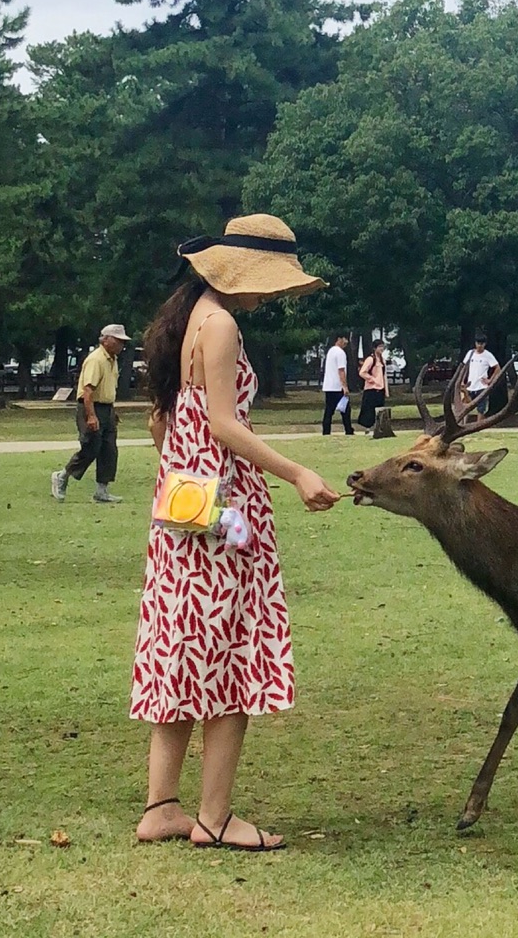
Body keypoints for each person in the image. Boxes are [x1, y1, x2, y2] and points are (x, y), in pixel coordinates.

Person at [132, 215, 340, 851]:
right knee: (230, 658)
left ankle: (160, 807)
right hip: (225, 515)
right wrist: (297, 471)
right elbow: (224, 423)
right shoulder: (221, 324)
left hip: (182, 509)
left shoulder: (186, 317)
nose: (270, 297)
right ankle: (215, 818)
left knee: (183, 650)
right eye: (269, 284)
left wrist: (186, 482)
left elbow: (163, 426)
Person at [52, 324, 129, 504]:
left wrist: (111, 412)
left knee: (109, 449)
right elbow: (88, 391)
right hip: (91, 407)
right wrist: (92, 416)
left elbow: (108, 388)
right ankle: (62, 476)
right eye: (118, 340)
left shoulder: (113, 359)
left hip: (107, 409)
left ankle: (102, 491)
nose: (121, 345)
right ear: (105, 339)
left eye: (122, 342)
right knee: (91, 447)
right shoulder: (96, 359)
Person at [319, 331, 353, 436]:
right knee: (346, 409)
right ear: (339, 339)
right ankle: (348, 430)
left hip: (329, 386)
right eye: (345, 339)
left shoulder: (331, 351)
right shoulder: (340, 353)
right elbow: (341, 370)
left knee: (329, 410)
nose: (346, 342)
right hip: (337, 387)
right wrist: (345, 386)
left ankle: (326, 431)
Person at [356, 339, 388, 430]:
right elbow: (362, 372)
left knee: (379, 410)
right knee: (369, 410)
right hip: (371, 389)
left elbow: (384, 375)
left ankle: (377, 428)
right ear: (375, 348)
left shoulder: (382, 361)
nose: (382, 349)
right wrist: (372, 379)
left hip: (380, 389)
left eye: (383, 347)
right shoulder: (370, 359)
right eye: (380, 347)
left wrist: (386, 390)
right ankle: (367, 428)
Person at [463, 333, 499, 400]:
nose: (479, 346)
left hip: (482, 387)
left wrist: (490, 380)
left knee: (481, 409)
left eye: (481, 344)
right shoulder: (470, 353)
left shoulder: (488, 355)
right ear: (475, 343)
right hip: (469, 387)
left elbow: (497, 368)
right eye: (478, 343)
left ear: (485, 344)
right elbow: (465, 368)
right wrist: (462, 381)